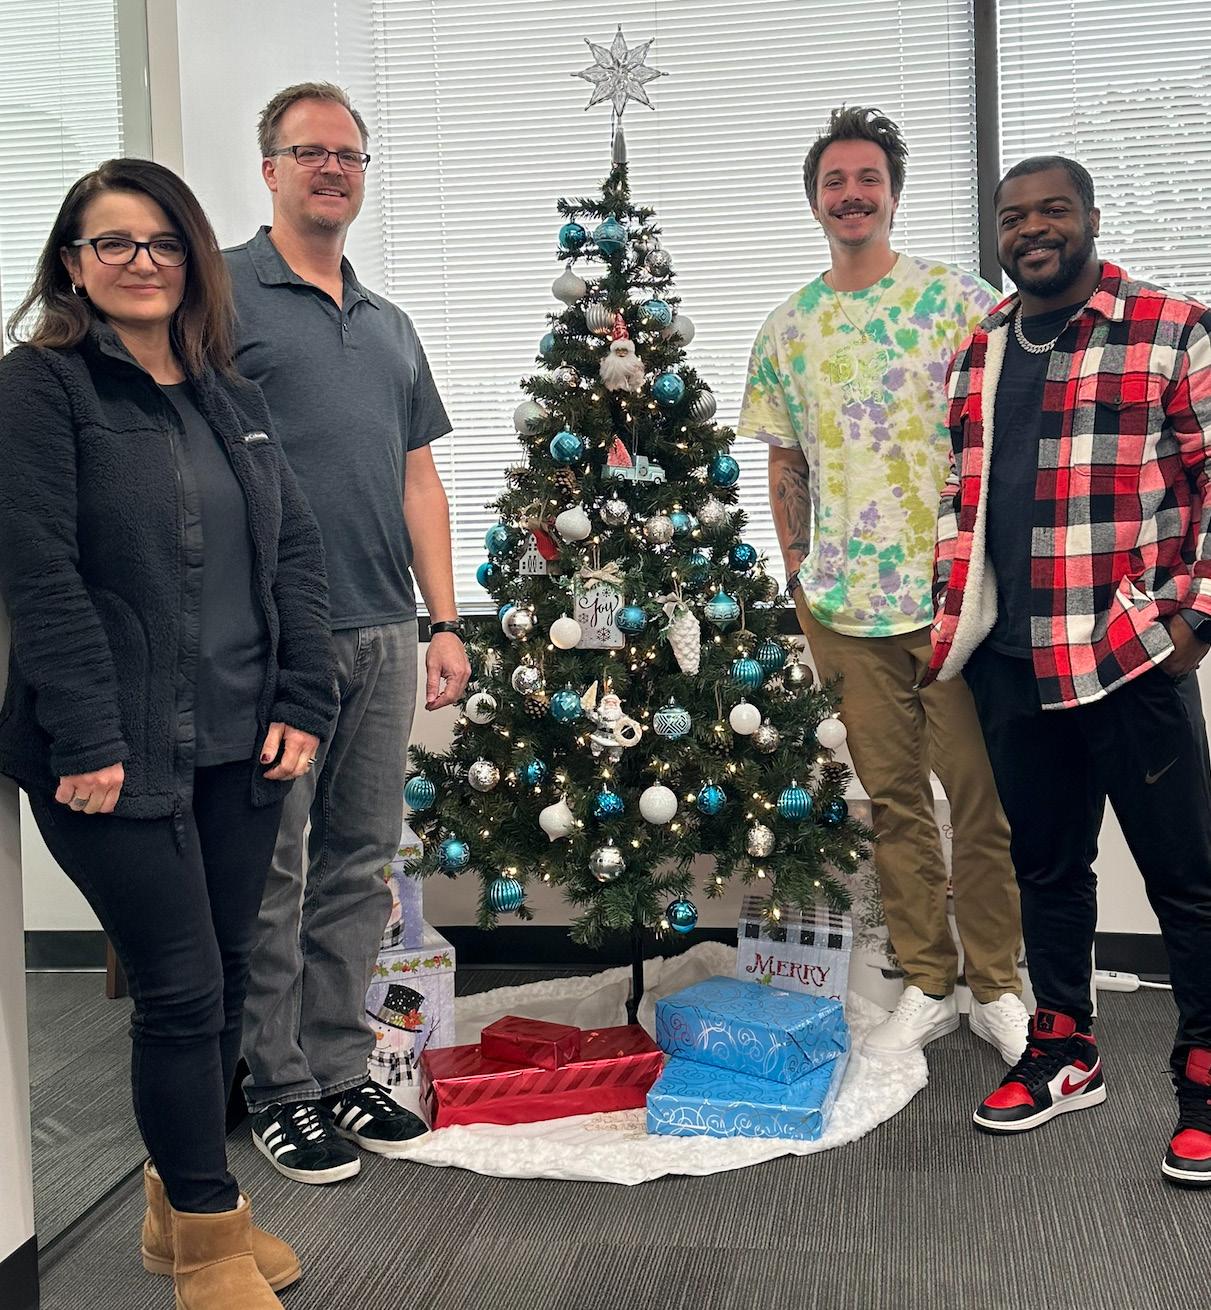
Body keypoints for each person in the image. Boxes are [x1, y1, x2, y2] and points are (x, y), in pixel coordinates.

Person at [0, 159, 337, 1307]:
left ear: (192, 257)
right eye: (114, 242)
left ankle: (173, 1205)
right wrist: (86, 731)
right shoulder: (40, 387)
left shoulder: (227, 392)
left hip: (244, 738)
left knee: (228, 981)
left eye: (163, 241)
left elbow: (294, 550)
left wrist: (304, 699)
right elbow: (39, 571)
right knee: (182, 989)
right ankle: (206, 1230)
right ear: (72, 262)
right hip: (110, 750)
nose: (142, 261)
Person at [926, 155, 1211, 1184]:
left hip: (1127, 656)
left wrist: (1193, 619)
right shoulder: (979, 348)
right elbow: (960, 497)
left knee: (1186, 881)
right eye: (1013, 217)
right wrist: (953, 620)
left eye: (1052, 210)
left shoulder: (1171, 329)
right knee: (1045, 869)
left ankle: (1203, 1074)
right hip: (1010, 661)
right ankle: (1063, 1047)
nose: (1031, 229)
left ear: (1089, 217)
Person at [737, 105, 1028, 1062]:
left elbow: (1006, 426)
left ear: (893, 193)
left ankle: (997, 983)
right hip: (841, 607)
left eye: (868, 178)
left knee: (978, 805)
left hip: (952, 606)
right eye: (834, 181)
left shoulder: (958, 303)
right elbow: (786, 461)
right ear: (814, 200)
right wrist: (797, 574)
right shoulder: (787, 330)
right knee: (895, 805)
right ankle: (928, 981)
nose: (851, 195)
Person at [227, 81, 470, 1183]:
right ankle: (275, 1084)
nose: (331, 168)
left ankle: (333, 1068)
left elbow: (419, 481)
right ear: (269, 168)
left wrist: (443, 622)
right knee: (273, 874)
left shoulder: (388, 324)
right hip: (272, 639)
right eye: (309, 151)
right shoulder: (219, 295)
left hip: (382, 631)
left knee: (358, 867)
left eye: (348, 155)